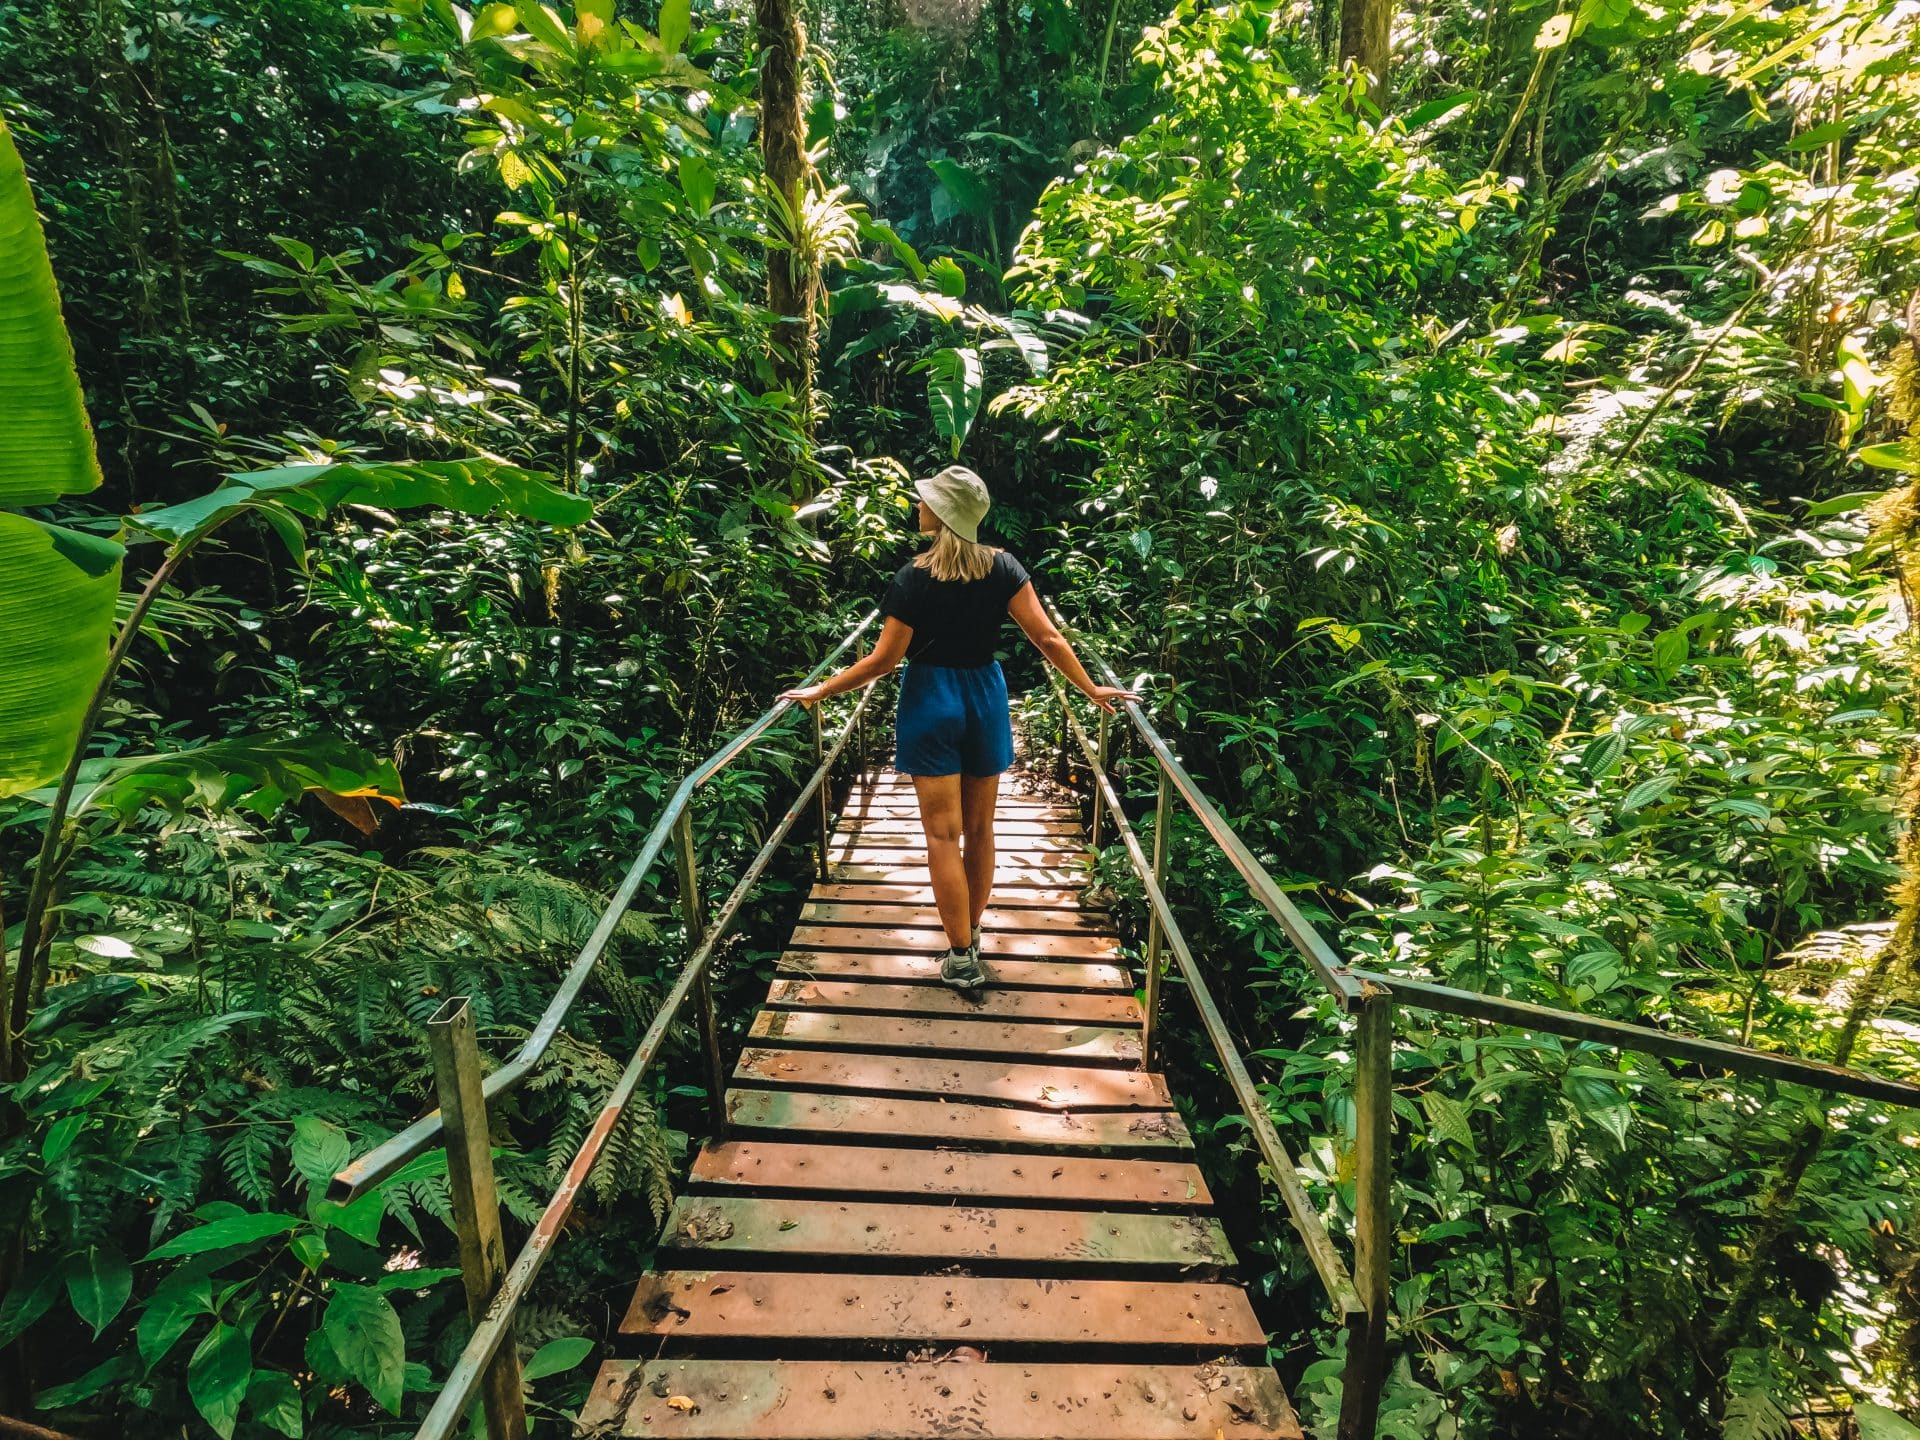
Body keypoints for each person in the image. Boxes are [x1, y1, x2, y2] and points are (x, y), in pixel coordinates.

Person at [778, 465, 1138, 991]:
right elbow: (1047, 638)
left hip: (930, 699)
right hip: (985, 699)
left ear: (942, 512)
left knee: (942, 836)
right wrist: (1091, 689)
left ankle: (961, 953)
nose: (917, 506)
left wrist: (820, 690)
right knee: (981, 830)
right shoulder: (1005, 567)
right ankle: (972, 930)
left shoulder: (912, 577)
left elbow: (882, 662)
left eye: (925, 501)